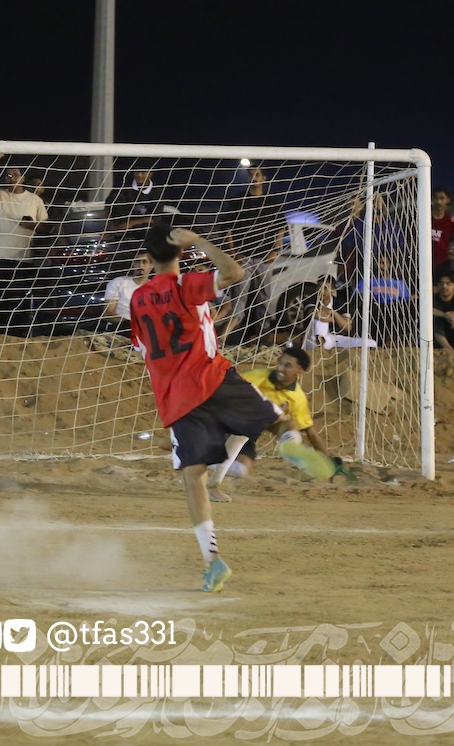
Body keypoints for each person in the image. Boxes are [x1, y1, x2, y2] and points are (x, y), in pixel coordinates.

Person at [129, 224, 282, 593]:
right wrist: (198, 240)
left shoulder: (137, 298)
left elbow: (142, 349)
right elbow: (234, 272)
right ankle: (283, 444)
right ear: (181, 252)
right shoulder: (186, 285)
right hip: (209, 375)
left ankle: (212, 560)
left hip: (176, 397)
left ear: (147, 257)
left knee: (192, 478)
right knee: (268, 416)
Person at [231, 345, 350, 483]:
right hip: (230, 426)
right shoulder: (254, 378)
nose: (280, 368)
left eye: (287, 365)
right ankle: (212, 462)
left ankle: (291, 447)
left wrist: (327, 462)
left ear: (299, 371)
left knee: (288, 424)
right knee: (238, 468)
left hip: (249, 432)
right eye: (280, 363)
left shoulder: (297, 398)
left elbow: (311, 433)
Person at [0, 153, 48, 333]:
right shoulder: (0, 195)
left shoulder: (35, 200)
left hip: (21, 257)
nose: (11, 178)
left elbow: (44, 227)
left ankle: (13, 334)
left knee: (16, 298)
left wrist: (31, 225)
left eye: (15, 175)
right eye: (8, 175)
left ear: (23, 178)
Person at [101, 253, 152, 330]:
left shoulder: (157, 289)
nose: (140, 265)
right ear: (133, 264)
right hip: (119, 328)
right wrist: (128, 324)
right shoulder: (118, 282)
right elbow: (107, 313)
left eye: (144, 262)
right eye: (137, 261)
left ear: (151, 265)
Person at [430, 187, 454, 265]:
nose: (438, 201)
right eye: (436, 198)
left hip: (443, 264)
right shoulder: (423, 219)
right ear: (431, 199)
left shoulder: (452, 222)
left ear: (448, 200)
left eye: (442, 198)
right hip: (422, 262)